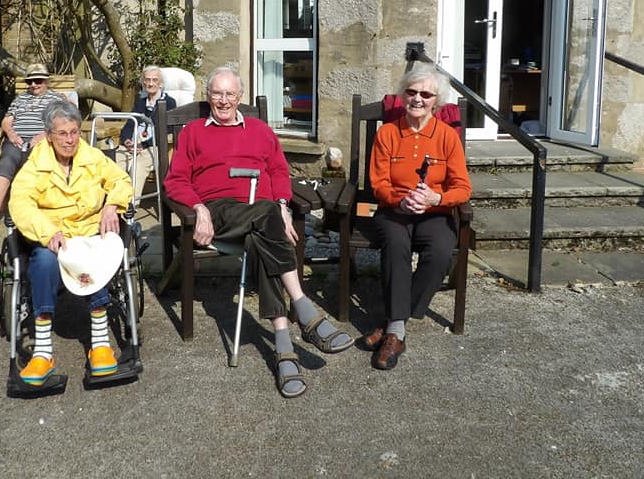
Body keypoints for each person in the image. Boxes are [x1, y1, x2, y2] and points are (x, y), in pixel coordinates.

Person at [163, 66, 355, 398]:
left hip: (259, 219)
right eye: (217, 94)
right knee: (267, 218)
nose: (223, 101)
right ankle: (303, 308)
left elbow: (279, 171)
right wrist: (199, 209)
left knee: (262, 236)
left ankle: (284, 350)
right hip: (219, 211)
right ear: (208, 97)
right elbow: (175, 181)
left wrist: (282, 203)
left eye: (229, 94)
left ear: (240, 97)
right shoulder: (193, 132)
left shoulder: (260, 131)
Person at [8, 101, 133, 384]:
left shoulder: (93, 157)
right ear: (49, 135)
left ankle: (100, 344)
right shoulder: (35, 166)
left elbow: (120, 180)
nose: (70, 139)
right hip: (53, 238)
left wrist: (112, 205)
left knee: (97, 256)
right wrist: (47, 231)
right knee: (42, 261)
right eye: (62, 133)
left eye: (74, 132)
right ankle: (42, 352)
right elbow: (21, 203)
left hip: (89, 234)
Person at [361, 63, 472, 370]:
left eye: (426, 93)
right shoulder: (387, 133)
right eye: (411, 92)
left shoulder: (447, 137)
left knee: (439, 253)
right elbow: (378, 184)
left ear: (437, 101)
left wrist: (438, 197)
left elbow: (462, 188)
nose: (418, 99)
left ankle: (394, 322)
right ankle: (397, 333)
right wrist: (401, 199)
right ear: (403, 96)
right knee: (395, 244)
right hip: (395, 210)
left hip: (435, 212)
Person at [0, 63, 70, 231]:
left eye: (37, 81)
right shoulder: (20, 99)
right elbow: (6, 121)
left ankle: (31, 213)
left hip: (43, 141)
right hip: (17, 141)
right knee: (5, 164)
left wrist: (44, 136)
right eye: (30, 82)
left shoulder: (56, 99)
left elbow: (61, 123)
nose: (33, 85)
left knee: (34, 165)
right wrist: (12, 134)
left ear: (46, 81)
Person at [117, 66, 176, 200]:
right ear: (143, 82)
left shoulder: (168, 102)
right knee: (115, 162)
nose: (150, 83)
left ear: (160, 83)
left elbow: (169, 131)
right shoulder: (140, 102)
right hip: (133, 144)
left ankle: (130, 208)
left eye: (154, 80)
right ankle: (115, 203)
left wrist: (143, 145)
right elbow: (129, 124)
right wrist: (126, 140)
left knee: (138, 165)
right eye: (147, 80)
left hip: (154, 145)